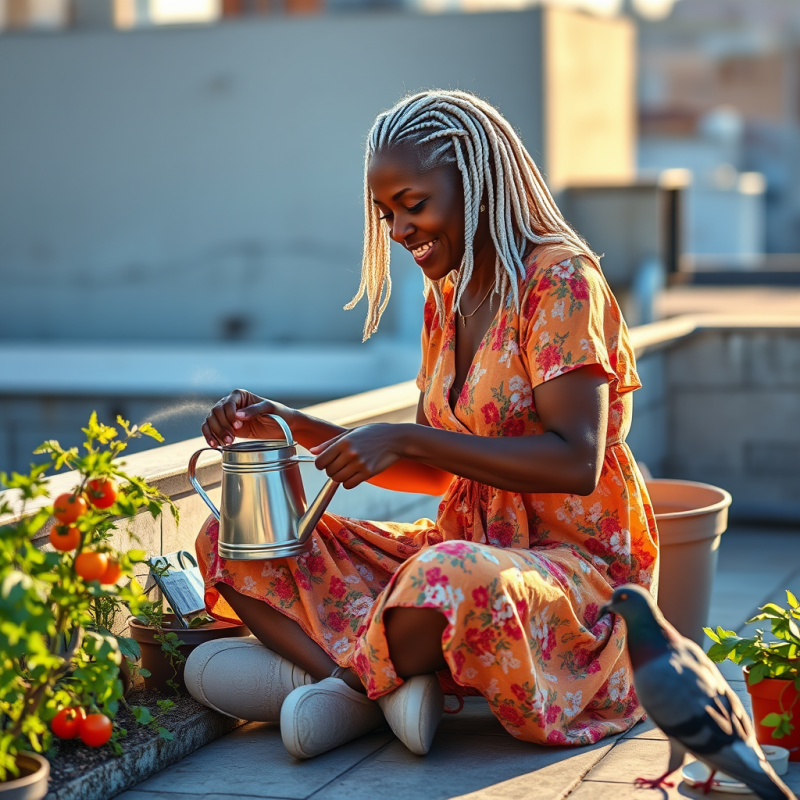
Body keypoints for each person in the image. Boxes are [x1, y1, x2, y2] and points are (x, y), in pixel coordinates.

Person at [187, 89, 658, 760]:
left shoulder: (561, 282)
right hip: (460, 544)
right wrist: (294, 428)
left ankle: (352, 686)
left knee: (448, 575)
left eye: (414, 205)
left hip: (571, 575)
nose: (400, 230)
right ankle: (372, 688)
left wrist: (403, 436)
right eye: (386, 215)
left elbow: (575, 461)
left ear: (478, 187)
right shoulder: (450, 297)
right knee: (232, 539)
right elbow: (440, 470)